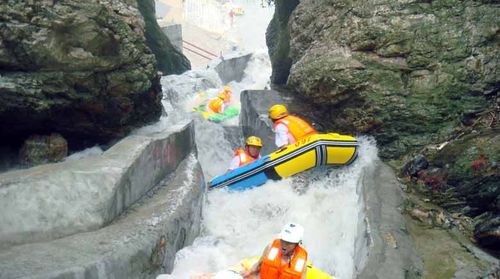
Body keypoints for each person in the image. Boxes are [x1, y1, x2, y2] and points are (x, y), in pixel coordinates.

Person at [240, 223, 308, 279]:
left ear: (297, 244)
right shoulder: (270, 248)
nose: (284, 245)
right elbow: (258, 265)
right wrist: (249, 272)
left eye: (288, 243)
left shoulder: (301, 262)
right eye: (283, 240)